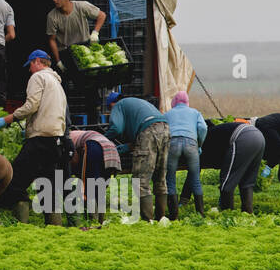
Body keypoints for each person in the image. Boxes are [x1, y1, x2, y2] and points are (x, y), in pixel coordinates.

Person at [0, 50, 70, 225]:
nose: (30, 70)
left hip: (40, 139)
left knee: (15, 180)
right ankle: (55, 226)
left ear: (37, 61)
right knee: (47, 184)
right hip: (55, 140)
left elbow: (31, 105)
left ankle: (19, 224)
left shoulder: (38, 78)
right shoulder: (56, 82)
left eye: (30, 65)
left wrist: (10, 118)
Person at [106, 93, 170, 221]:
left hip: (148, 131)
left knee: (141, 181)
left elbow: (116, 128)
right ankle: (161, 218)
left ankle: (147, 221)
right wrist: (125, 147)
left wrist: (103, 139)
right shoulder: (136, 103)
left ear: (111, 104)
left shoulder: (118, 106)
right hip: (165, 128)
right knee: (160, 177)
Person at [200, 120, 266, 213]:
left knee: (227, 183)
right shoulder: (220, 130)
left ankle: (228, 214)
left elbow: (213, 161)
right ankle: (247, 214)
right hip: (259, 137)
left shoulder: (208, 137)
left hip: (242, 137)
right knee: (247, 183)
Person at [163, 90, 207, 219]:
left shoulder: (167, 114)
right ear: (187, 102)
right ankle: (200, 214)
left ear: (174, 102)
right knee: (195, 179)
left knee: (170, 178)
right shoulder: (195, 112)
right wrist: (199, 144)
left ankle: (173, 215)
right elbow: (203, 128)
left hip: (173, 143)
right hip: (191, 144)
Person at [45, 0, 106, 72]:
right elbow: (52, 40)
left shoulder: (81, 6)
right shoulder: (52, 16)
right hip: (66, 53)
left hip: (85, 48)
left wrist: (95, 33)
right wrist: (58, 61)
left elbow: (102, 15)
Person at [69, 127, 122, 223]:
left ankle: (92, 221)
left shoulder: (68, 137)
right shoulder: (79, 134)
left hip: (94, 146)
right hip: (111, 149)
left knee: (89, 188)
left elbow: (74, 159)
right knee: (99, 190)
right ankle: (100, 221)